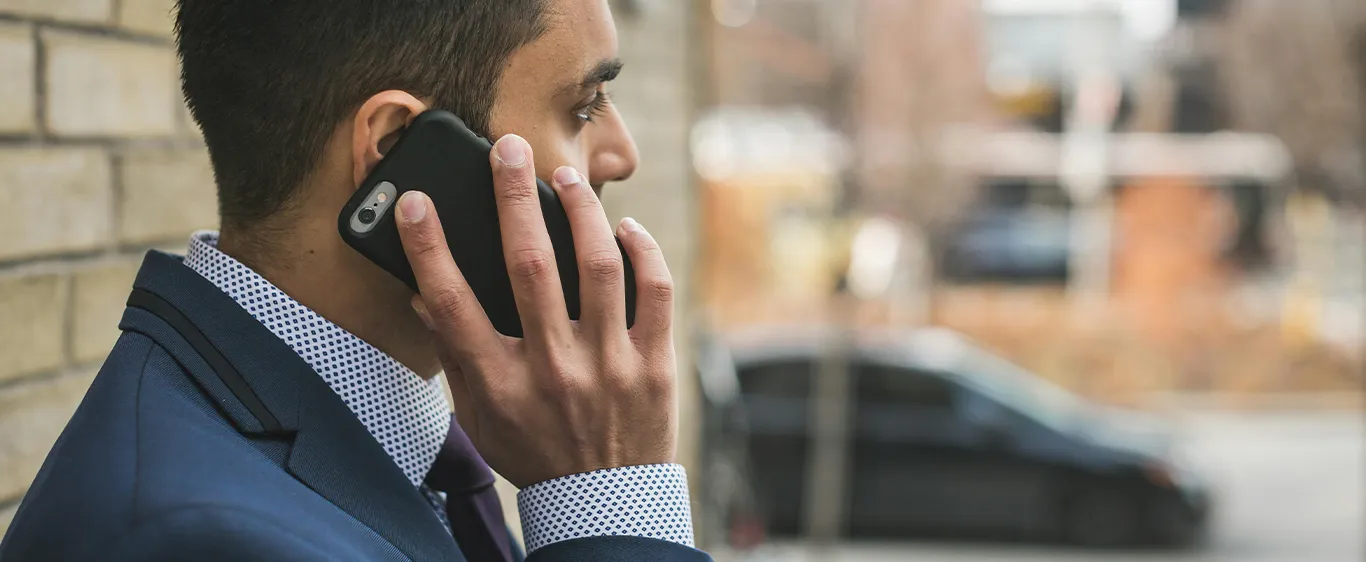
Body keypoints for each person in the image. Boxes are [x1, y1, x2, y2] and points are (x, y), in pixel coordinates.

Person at [0, 1, 708, 560]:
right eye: (582, 108)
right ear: (396, 149)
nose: (622, 154)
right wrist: (610, 503)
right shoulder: (196, 538)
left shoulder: (399, 433)